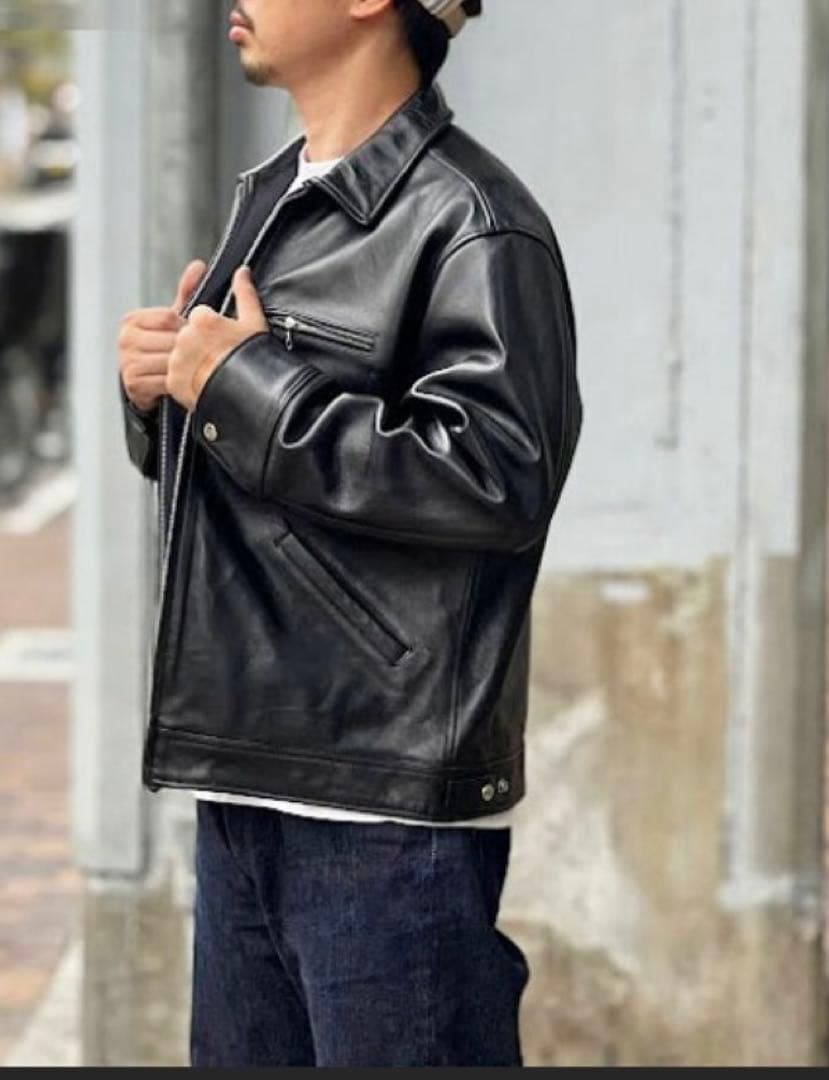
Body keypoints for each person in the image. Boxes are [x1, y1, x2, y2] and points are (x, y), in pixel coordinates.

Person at [117, 0, 583, 1066]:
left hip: (382, 804)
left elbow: (497, 479)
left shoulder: (473, 222)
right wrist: (163, 398)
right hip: (246, 777)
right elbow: (262, 478)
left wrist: (244, 383)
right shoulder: (276, 198)